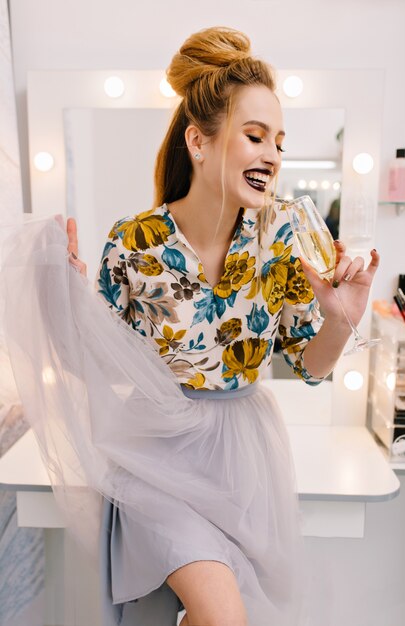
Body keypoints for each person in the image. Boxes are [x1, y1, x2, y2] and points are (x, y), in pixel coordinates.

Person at [3, 26, 379, 626]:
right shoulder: (135, 241)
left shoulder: (282, 239)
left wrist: (339, 319)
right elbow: (88, 360)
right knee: (222, 615)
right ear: (198, 142)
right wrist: (62, 292)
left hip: (244, 461)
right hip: (158, 456)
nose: (272, 156)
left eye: (279, 142)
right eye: (255, 136)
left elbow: (312, 364)